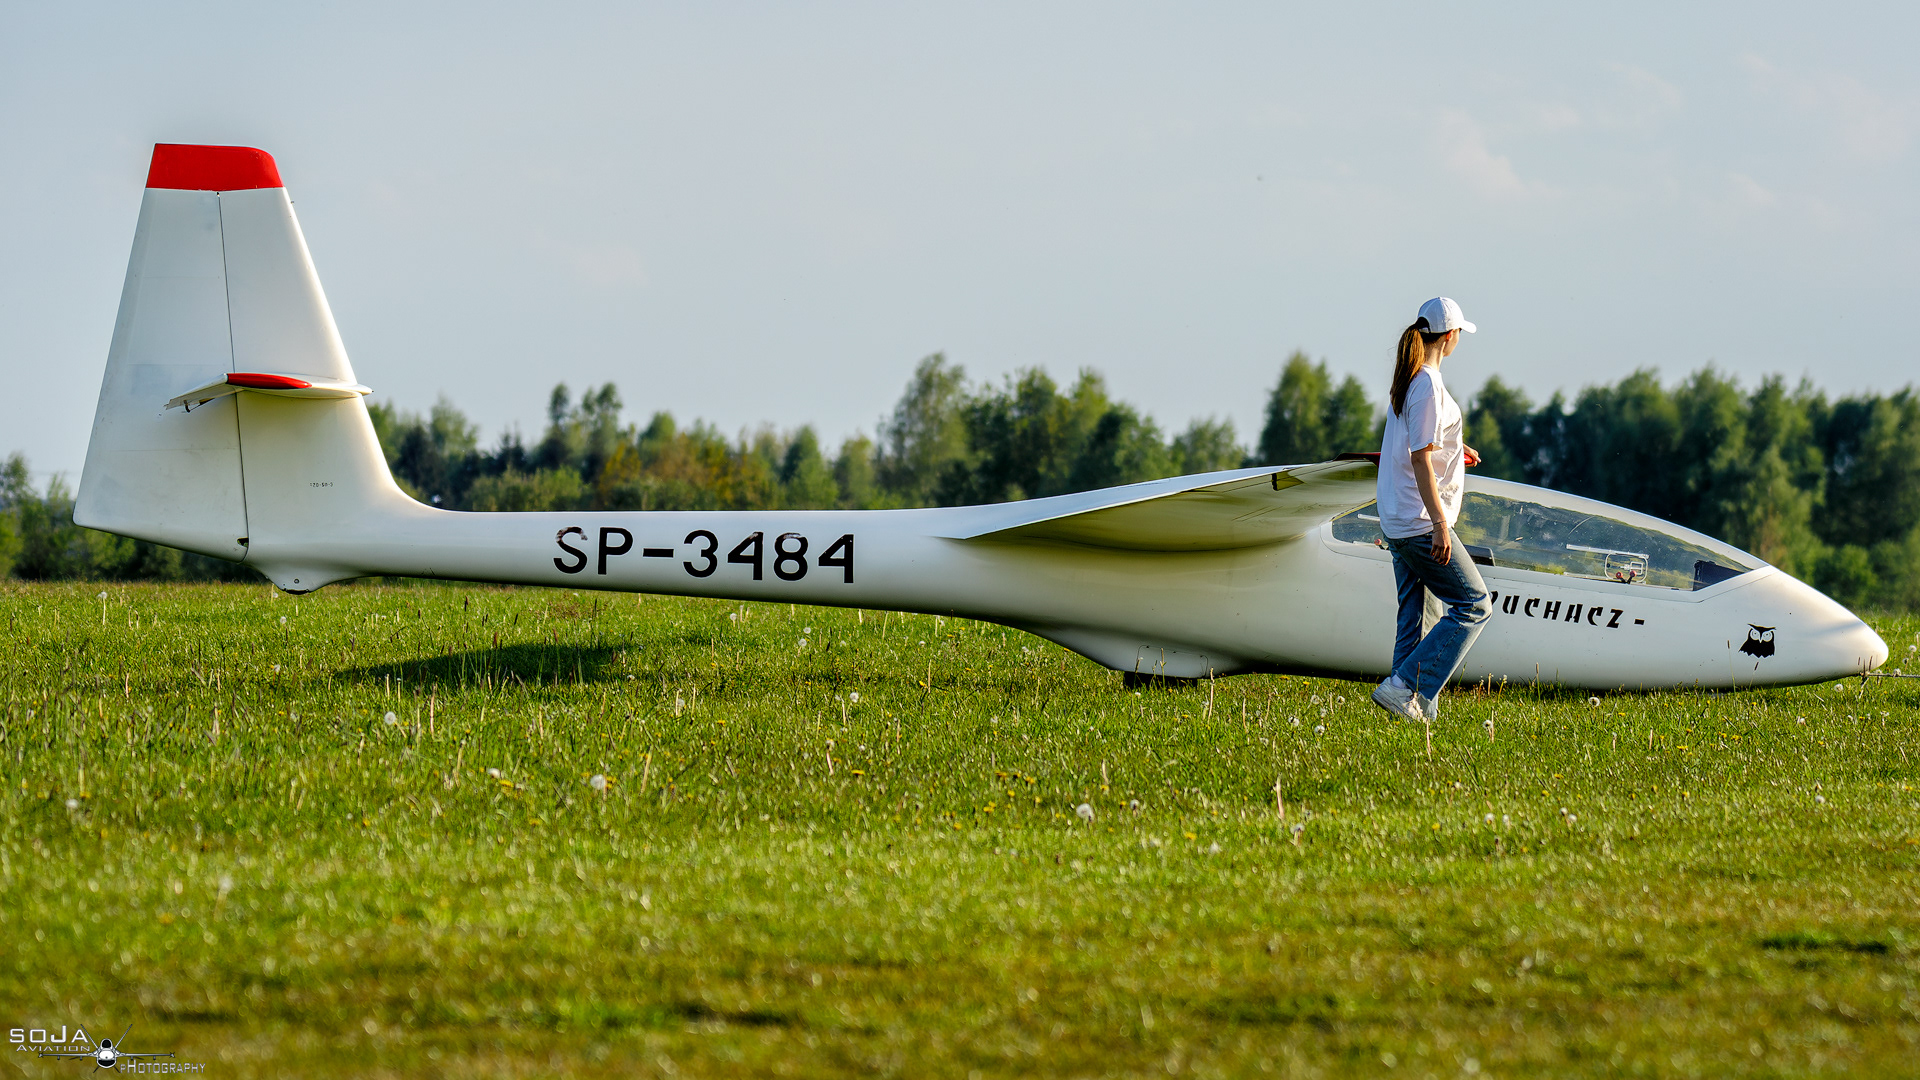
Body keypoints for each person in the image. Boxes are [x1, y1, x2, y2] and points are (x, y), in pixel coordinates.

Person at [1369, 297, 1492, 722]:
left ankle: (1411, 715)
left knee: (1419, 618)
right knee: (1474, 604)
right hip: (1420, 523)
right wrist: (1441, 524)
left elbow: (1422, 446)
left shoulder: (1413, 381)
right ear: (1451, 335)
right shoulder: (1428, 385)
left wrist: (1457, 452)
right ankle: (1404, 688)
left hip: (1400, 521)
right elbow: (1420, 457)